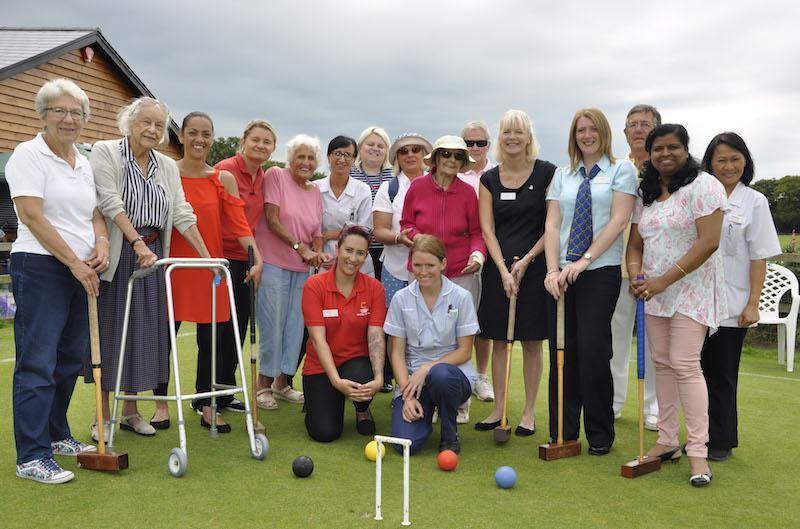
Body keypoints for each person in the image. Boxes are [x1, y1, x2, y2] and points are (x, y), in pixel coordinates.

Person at [90, 97, 209, 440]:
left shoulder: (167, 165)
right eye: (146, 122)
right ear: (129, 122)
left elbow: (181, 212)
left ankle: (130, 411)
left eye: (159, 125)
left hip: (153, 256)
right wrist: (136, 243)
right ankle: (102, 416)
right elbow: (108, 201)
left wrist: (207, 257)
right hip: (120, 254)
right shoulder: (106, 151)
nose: (152, 130)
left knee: (142, 336)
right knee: (113, 334)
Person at [8, 79, 105, 483]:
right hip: (41, 266)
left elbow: (94, 213)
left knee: (68, 359)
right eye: (59, 111)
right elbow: (32, 215)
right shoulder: (28, 154)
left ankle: (56, 433)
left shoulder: (82, 161)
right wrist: (74, 263)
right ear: (42, 115)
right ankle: (32, 456)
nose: (69, 119)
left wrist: (101, 243)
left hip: (80, 268)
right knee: (38, 361)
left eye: (77, 113)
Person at [626, 123, 727, 486]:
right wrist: (636, 275)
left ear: (686, 149)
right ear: (650, 154)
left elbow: (708, 242)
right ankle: (667, 440)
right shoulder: (647, 193)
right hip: (654, 293)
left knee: (684, 364)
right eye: (658, 149)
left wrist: (663, 280)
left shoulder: (704, 185)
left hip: (691, 290)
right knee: (663, 364)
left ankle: (698, 452)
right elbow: (635, 245)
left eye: (673, 147)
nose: (665, 154)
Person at [543, 108, 637, 455]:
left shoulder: (620, 170)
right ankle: (563, 432)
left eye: (592, 129)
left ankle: (599, 433)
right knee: (562, 350)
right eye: (580, 130)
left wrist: (584, 260)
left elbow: (619, 221)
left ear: (604, 133)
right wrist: (552, 271)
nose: (586, 135)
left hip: (600, 271)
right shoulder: (563, 175)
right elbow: (552, 225)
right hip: (561, 274)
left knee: (594, 350)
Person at [170, 112, 263, 432]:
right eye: (193, 133)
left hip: (211, 268)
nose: (200, 139)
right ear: (181, 136)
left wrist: (257, 257)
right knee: (163, 339)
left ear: (213, 138)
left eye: (206, 134)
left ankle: (207, 404)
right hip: (171, 269)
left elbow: (239, 223)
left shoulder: (222, 179)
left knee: (211, 341)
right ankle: (159, 405)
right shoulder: (166, 172)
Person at [700, 132, 780, 461]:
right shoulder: (700, 195)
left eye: (735, 159)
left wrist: (753, 303)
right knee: (693, 373)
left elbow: (759, 256)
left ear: (745, 161)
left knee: (722, 373)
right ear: (710, 163)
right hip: (697, 299)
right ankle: (696, 437)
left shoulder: (755, 202)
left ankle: (720, 441)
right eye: (721, 160)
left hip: (733, 303)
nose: (728, 166)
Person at [475, 110, 555, 436]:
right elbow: (487, 229)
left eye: (518, 132)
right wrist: (502, 269)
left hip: (534, 269)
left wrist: (526, 262)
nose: (512, 137)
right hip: (499, 271)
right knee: (500, 341)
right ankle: (499, 408)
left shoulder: (547, 172)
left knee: (532, 342)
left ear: (528, 137)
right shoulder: (489, 179)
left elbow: (552, 225)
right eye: (507, 132)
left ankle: (529, 413)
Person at [401, 135, 486, 423]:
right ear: (436, 158)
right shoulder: (417, 187)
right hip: (423, 272)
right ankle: (423, 394)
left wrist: (477, 255)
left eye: (458, 156)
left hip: (461, 272)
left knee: (458, 338)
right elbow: (406, 224)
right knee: (421, 335)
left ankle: (458, 399)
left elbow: (477, 232)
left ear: (463, 162)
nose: (451, 160)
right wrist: (419, 240)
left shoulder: (468, 193)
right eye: (446, 154)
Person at [255, 134, 330, 410]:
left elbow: (317, 232)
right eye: (300, 157)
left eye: (311, 158)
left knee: (295, 327)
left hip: (302, 269)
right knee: (272, 325)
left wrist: (318, 252)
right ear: (290, 159)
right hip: (273, 263)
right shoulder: (276, 175)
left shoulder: (314, 191)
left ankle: (282, 383)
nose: (306, 162)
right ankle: (263, 385)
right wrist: (301, 248)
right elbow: (272, 219)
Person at [384, 235, 479, 454]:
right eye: (417, 265)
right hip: (413, 381)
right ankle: (426, 411)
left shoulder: (462, 297)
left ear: (443, 263)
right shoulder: (400, 298)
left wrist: (427, 368)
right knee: (406, 445)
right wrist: (407, 396)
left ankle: (449, 432)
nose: (423, 271)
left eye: (430, 265)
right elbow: (396, 353)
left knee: (440, 375)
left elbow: (465, 351)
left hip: (452, 375)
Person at [212, 119, 278, 415]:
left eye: (267, 142)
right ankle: (206, 395)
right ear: (243, 141)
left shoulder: (264, 176)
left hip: (247, 260)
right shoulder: (224, 169)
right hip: (220, 258)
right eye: (255, 140)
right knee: (218, 329)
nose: (260, 146)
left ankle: (225, 391)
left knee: (238, 327)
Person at [301, 225, 386, 441]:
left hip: (355, 362)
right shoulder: (314, 285)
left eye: (360, 253)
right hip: (320, 366)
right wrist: (336, 382)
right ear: (337, 249)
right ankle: (326, 398)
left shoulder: (375, 288)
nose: (353, 258)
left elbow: (376, 336)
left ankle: (362, 410)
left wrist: (378, 378)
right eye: (348, 250)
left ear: (366, 256)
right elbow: (318, 340)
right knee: (325, 432)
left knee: (363, 376)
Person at [610, 104, 662, 429]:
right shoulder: (615, 168)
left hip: (656, 271)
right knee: (615, 339)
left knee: (653, 342)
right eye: (633, 124)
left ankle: (652, 407)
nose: (639, 129)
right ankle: (613, 403)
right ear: (625, 132)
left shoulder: (666, 168)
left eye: (645, 124)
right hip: (616, 266)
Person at [373, 133, 433, 394]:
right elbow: (379, 230)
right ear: (397, 157)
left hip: (430, 270)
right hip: (396, 269)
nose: (410, 155)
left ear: (425, 155)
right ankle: (401, 385)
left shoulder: (437, 184)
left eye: (416, 150)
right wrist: (400, 238)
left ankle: (425, 383)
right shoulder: (390, 188)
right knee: (397, 328)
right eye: (404, 151)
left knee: (427, 326)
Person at [458, 120, 495, 402]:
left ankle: (481, 377)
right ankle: (463, 375)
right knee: (460, 320)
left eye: (480, 143)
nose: (474, 148)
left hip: (491, 254)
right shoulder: (455, 174)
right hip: (462, 256)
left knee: (484, 321)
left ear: (488, 145)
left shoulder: (497, 173)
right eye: (469, 143)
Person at [316, 135, 374, 276]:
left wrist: (329, 234)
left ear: (354, 159)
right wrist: (319, 251)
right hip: (323, 257)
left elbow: (364, 230)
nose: (342, 159)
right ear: (328, 156)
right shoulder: (315, 188)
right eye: (337, 153)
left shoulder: (362, 190)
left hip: (355, 258)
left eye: (347, 155)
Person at [351, 126, 393, 279]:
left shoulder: (394, 175)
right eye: (370, 144)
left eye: (380, 146)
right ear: (360, 147)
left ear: (387, 151)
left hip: (388, 249)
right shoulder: (349, 173)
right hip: (355, 248)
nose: (375, 149)